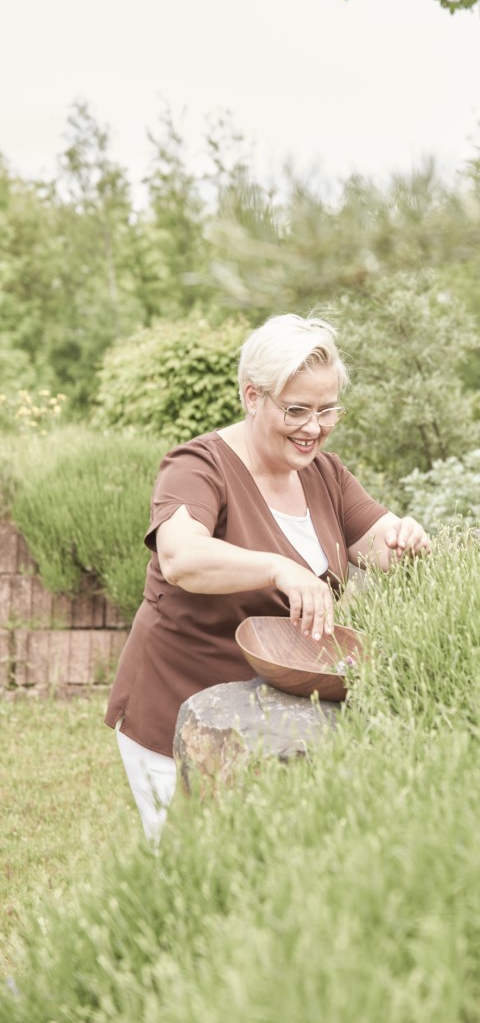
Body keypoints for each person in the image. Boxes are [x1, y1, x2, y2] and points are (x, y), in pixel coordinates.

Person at [105, 313, 431, 842]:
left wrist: (407, 541)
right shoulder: (197, 466)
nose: (313, 428)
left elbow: (381, 546)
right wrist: (281, 568)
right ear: (252, 396)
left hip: (275, 718)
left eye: (328, 410)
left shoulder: (325, 474)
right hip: (178, 712)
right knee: (192, 867)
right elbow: (182, 558)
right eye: (297, 409)